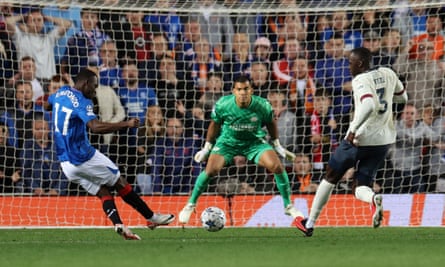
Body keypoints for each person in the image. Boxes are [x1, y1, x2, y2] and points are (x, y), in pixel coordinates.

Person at [45, 68, 174, 240]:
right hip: (83, 156)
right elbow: (95, 127)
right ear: (85, 84)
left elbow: (48, 103)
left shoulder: (61, 92)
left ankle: (119, 225)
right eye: (93, 86)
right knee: (118, 180)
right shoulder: (82, 102)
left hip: (66, 164)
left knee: (102, 190)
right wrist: (125, 124)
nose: (95, 90)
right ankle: (151, 217)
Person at [299, 47, 408, 237]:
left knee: (330, 176)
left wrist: (352, 130)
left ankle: (309, 223)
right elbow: (403, 98)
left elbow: (368, 105)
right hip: (383, 140)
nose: (348, 66)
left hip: (359, 139)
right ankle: (373, 199)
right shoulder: (389, 73)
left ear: (359, 63)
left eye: (350, 62)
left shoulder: (360, 80)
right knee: (360, 184)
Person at [178, 75, 306, 229]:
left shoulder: (262, 105)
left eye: (246, 89)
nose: (243, 92)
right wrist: (206, 148)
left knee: (277, 166)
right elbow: (214, 125)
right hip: (227, 143)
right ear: (234, 91)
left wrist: (277, 145)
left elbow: (271, 122)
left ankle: (288, 206)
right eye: (239, 89)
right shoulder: (223, 104)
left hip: (254, 143)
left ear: (251, 90)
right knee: (211, 170)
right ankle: (191, 204)